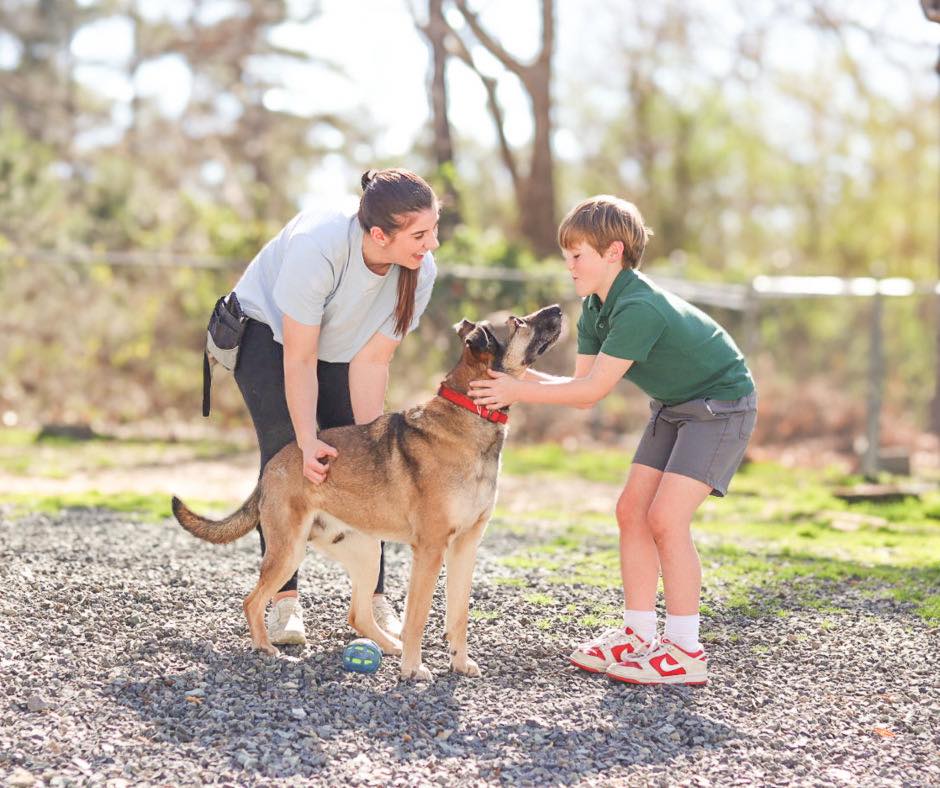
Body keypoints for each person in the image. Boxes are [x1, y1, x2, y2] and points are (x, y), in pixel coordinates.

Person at [469, 195, 756, 685]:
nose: (569, 265)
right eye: (566, 256)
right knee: (631, 512)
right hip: (674, 405)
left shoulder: (638, 307)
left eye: (577, 255)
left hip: (720, 406)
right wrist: (513, 375)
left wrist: (517, 390)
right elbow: (580, 386)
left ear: (614, 252)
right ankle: (639, 634)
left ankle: (686, 649)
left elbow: (590, 394)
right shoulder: (594, 308)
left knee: (666, 519)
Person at [229, 168, 439, 645]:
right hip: (268, 337)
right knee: (289, 455)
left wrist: (374, 449)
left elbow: (372, 361)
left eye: (434, 229)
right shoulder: (319, 246)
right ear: (380, 235)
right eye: (420, 234)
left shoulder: (420, 270)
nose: (433, 244)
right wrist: (307, 440)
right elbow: (299, 357)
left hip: (340, 348)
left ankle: (372, 602)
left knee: (363, 464)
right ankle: (283, 603)